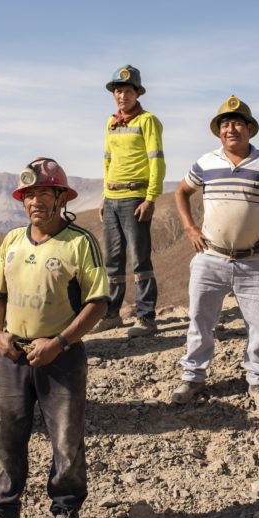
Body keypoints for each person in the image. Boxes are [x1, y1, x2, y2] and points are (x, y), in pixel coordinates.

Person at [0, 158, 108, 518]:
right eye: (29, 195)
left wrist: (59, 343)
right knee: (5, 436)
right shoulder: (12, 240)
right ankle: (3, 515)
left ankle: (66, 512)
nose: (35, 202)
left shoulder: (80, 242)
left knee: (66, 439)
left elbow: (97, 302)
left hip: (60, 354)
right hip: (11, 354)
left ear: (61, 198)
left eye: (44, 193)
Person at [170, 96, 259, 410]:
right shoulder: (206, 162)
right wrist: (190, 228)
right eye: (225, 124)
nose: (232, 129)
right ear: (219, 132)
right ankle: (192, 376)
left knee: (258, 325)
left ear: (249, 129)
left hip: (254, 262)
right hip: (211, 258)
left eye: (238, 123)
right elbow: (181, 191)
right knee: (200, 321)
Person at [93, 65, 166, 337]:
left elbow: (156, 160)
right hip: (112, 198)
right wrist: (104, 195)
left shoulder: (147, 121)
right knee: (111, 261)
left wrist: (151, 198)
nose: (121, 95)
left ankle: (146, 317)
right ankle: (112, 315)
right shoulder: (111, 122)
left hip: (135, 197)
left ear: (137, 92)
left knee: (140, 260)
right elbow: (107, 160)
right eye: (117, 90)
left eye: (127, 90)